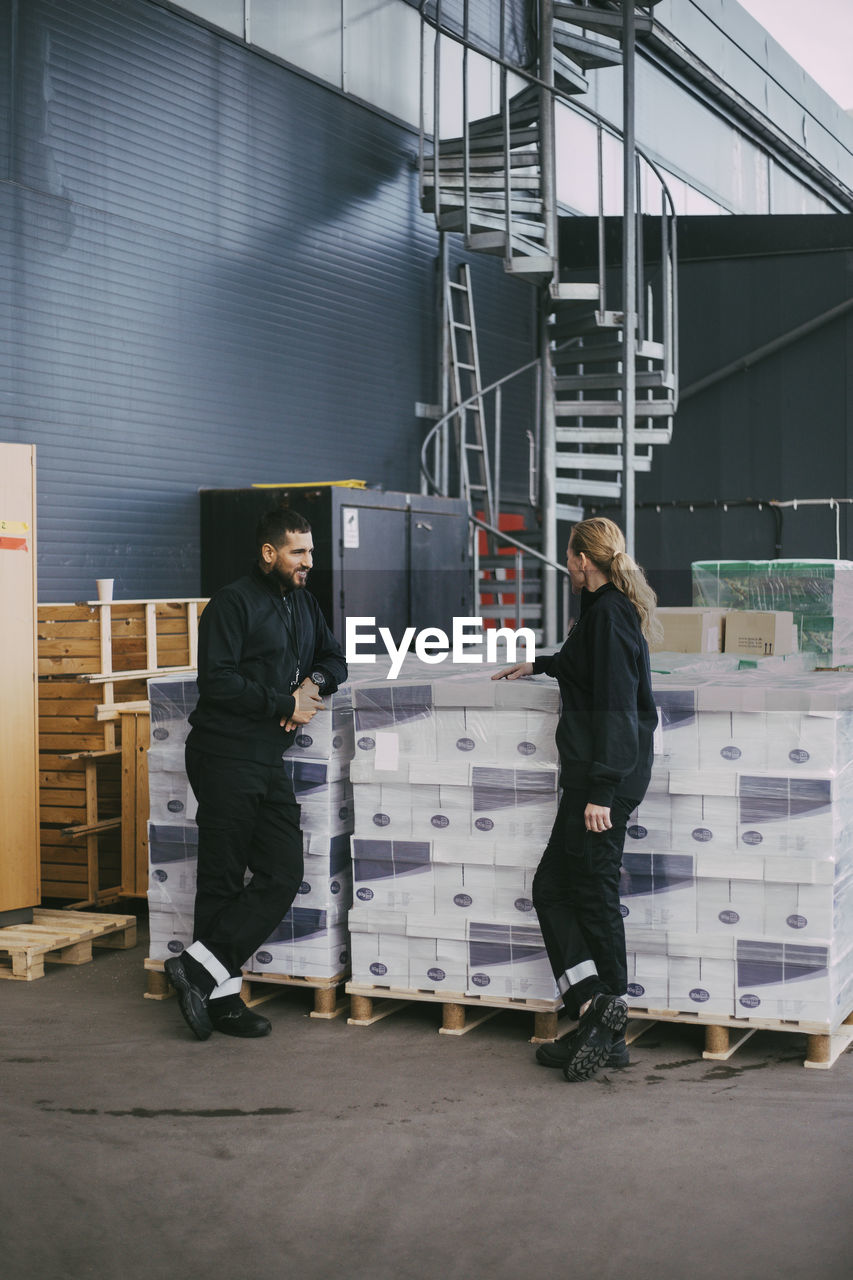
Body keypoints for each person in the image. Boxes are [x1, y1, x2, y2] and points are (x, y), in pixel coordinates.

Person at [165, 508, 347, 1040]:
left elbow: (335, 660)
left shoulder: (304, 604)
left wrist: (309, 689)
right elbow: (216, 682)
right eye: (298, 552)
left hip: (266, 758)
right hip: (223, 754)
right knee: (221, 878)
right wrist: (280, 703)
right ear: (269, 553)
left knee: (283, 871)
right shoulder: (232, 604)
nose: (308, 562)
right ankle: (221, 1000)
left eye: (311, 552)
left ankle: (196, 970)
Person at [493, 517, 661, 1081]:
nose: (567, 566)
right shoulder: (600, 611)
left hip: (600, 782)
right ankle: (595, 1011)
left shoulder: (609, 615)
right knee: (565, 890)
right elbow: (586, 669)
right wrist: (541, 663)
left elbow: (617, 704)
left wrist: (602, 792)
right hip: (593, 777)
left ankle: (605, 1023)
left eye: (569, 557)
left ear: (584, 560)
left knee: (588, 894)